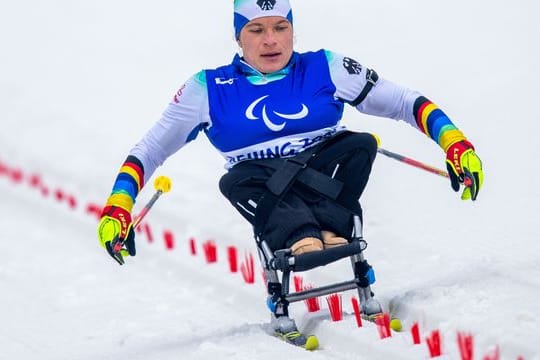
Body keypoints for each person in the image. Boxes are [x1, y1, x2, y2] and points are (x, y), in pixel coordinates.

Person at [97, 0, 484, 349]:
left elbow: (401, 101)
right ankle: (304, 234)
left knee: (361, 143)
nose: (271, 40)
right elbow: (149, 150)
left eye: (281, 27)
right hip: (264, 188)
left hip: (324, 179)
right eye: (257, 30)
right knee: (236, 181)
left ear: (293, 31)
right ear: (238, 37)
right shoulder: (208, 88)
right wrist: (119, 206)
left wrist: (455, 144)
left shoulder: (325, 66)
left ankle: (327, 229)